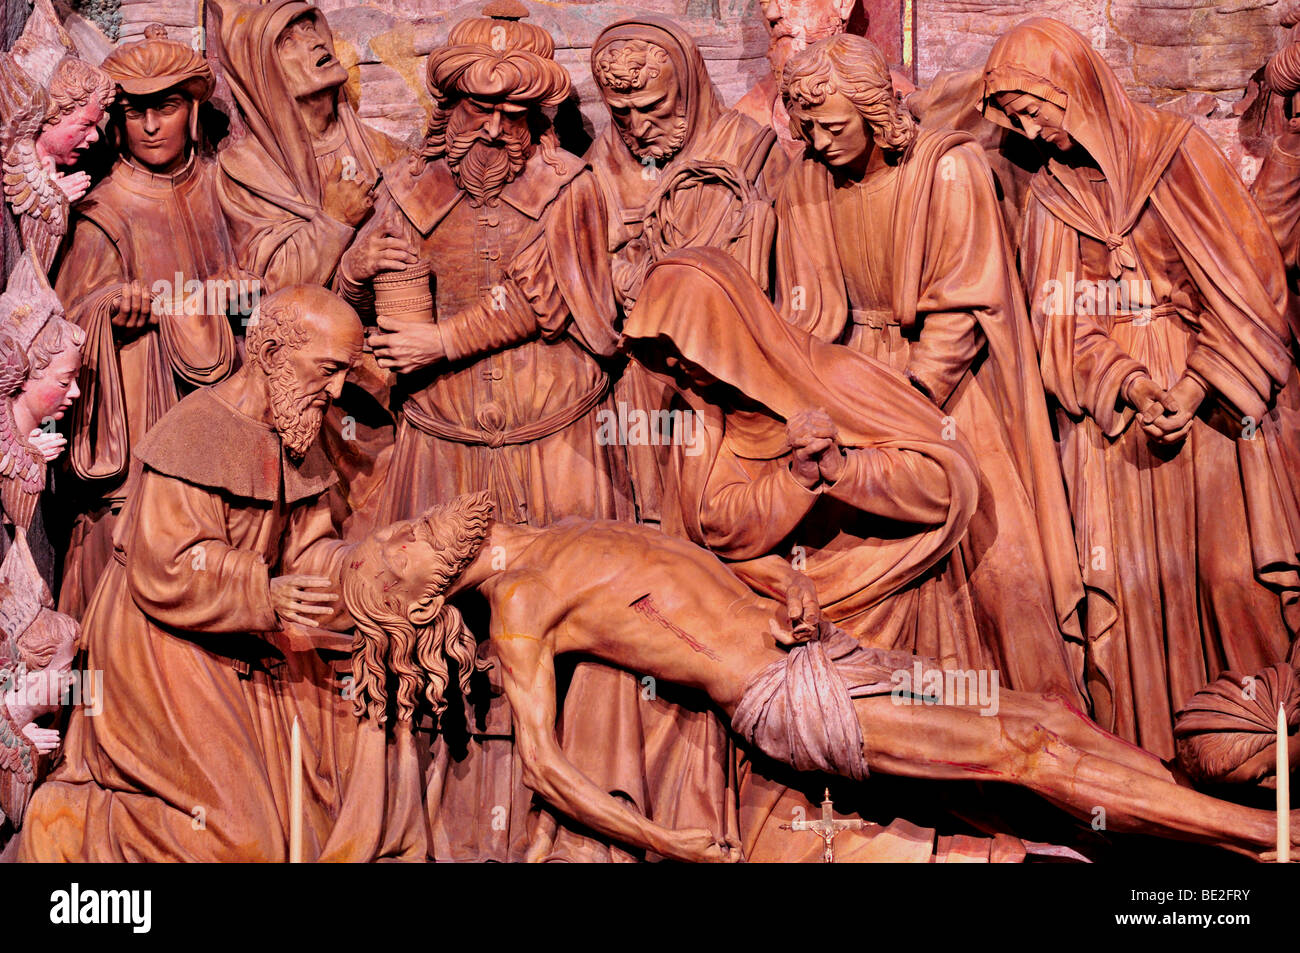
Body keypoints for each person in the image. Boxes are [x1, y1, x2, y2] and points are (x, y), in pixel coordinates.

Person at [344, 491, 1299, 865]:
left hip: (822, 650)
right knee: (1025, 753)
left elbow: (712, 581)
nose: (409, 531)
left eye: (394, 529)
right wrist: (661, 839)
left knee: (1035, 713)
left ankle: (1199, 828)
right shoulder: (516, 602)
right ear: (420, 594)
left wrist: (794, 587)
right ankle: (1267, 837)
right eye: (397, 552)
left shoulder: (559, 522)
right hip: (793, 701)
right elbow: (547, 768)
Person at [980, 17, 1300, 757]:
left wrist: (1197, 383)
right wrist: (1123, 383)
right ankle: (1155, 764)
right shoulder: (1054, 196)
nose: (1032, 129)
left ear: (1079, 87)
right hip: (1115, 424)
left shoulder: (1176, 152)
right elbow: (1054, 320)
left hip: (1217, 407)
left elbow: (1249, 283)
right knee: (1129, 585)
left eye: (1037, 107)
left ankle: (1256, 754)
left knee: (1232, 576)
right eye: (1016, 118)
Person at [17, 286, 424, 862]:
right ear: (274, 351)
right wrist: (264, 590)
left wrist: (367, 572)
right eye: (328, 370)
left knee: (325, 786)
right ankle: (74, 822)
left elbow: (309, 549)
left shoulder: (297, 428)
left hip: (241, 631)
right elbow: (169, 565)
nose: (336, 391)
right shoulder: (195, 433)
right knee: (242, 843)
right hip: (158, 641)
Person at [775, 34, 1086, 700]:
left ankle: (1047, 731)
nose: (821, 142)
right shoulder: (804, 181)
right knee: (861, 564)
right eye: (808, 129)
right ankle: (899, 747)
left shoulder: (948, 169)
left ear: (873, 110)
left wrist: (909, 397)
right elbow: (800, 310)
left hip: (946, 389)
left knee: (1002, 573)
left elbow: (962, 305)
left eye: (834, 126)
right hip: (851, 377)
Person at [54, 24, 239, 618]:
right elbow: (60, 329)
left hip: (221, 412)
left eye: (166, 108)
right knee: (131, 565)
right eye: (136, 112)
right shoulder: (103, 211)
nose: (152, 126)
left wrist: (247, 291)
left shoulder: (222, 186)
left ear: (191, 109)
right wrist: (108, 307)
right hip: (142, 425)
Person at [212, 0, 404, 522]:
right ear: (261, 72)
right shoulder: (246, 171)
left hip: (388, 362)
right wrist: (333, 224)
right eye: (288, 41)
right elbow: (271, 287)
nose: (315, 44)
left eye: (311, 29)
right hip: (309, 383)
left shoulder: (384, 152)